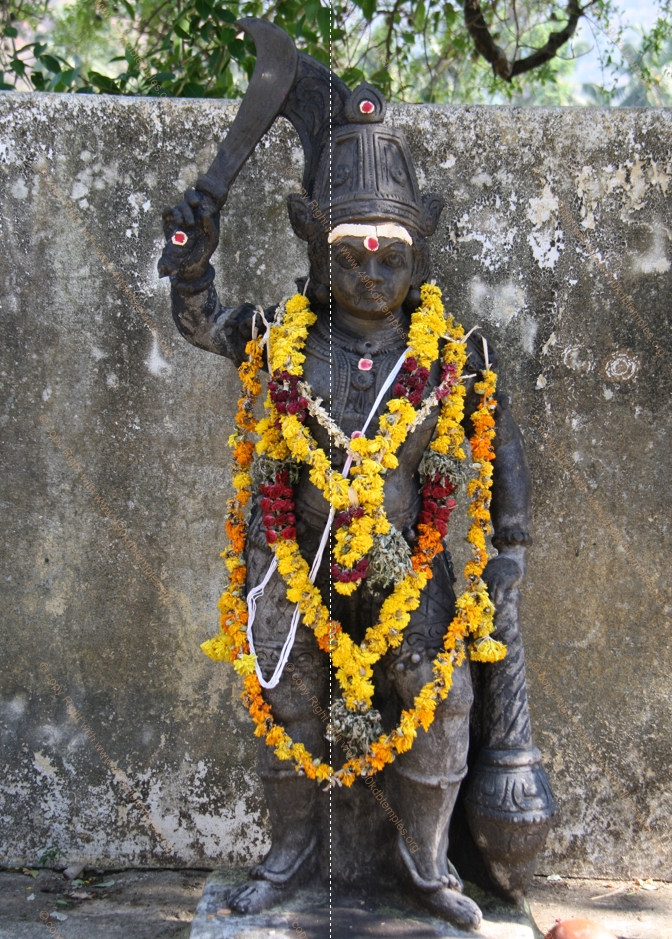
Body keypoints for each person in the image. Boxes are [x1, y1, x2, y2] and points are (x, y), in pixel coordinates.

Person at [158, 79, 555, 928]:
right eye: (351, 258)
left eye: (391, 259)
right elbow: (201, 321)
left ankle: (425, 866)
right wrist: (192, 261)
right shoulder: (280, 338)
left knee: (441, 699)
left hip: (406, 559)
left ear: (421, 253)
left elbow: (502, 446)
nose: (372, 276)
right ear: (314, 246)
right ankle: (290, 859)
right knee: (284, 695)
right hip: (294, 556)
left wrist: (511, 547)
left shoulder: (450, 354)